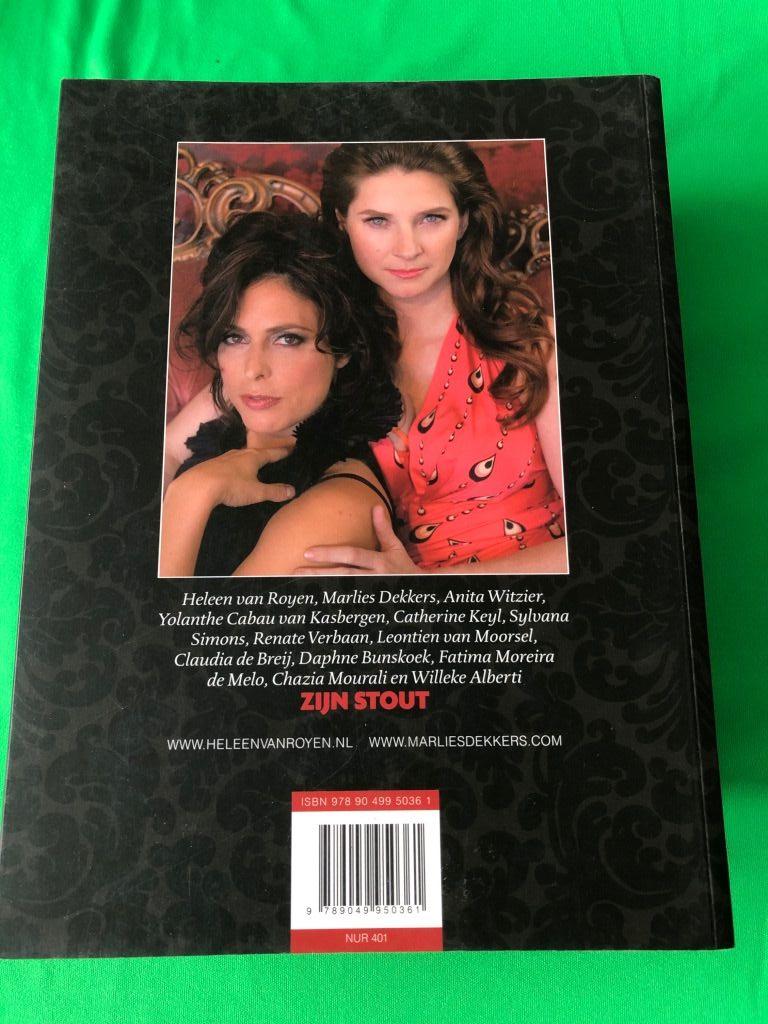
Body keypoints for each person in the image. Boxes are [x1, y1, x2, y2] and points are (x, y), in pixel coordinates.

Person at [296, 141, 566, 575]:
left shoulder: (532, 341)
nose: (407, 248)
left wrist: (429, 587)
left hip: (532, 601)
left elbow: (599, 541)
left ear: (463, 222)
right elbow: (196, 428)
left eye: (431, 218)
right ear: (342, 221)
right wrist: (199, 488)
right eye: (378, 221)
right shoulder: (326, 341)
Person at [160, 212, 400, 576]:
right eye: (234, 337)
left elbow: (175, 615)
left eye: (287, 339)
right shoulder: (230, 400)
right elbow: (164, 453)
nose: (254, 369)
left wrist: (190, 496)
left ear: (343, 349)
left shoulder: (339, 507)